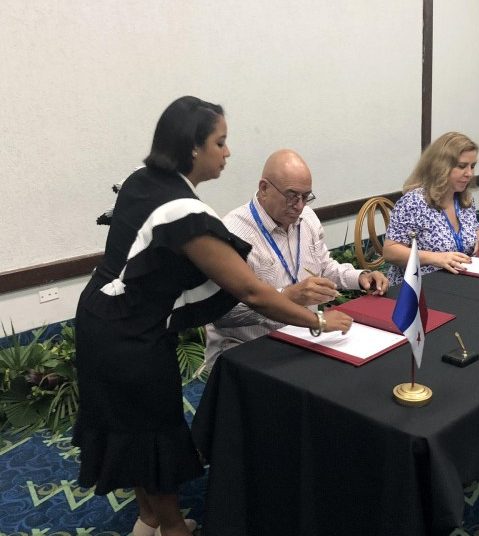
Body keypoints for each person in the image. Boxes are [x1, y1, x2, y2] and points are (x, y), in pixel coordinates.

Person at [72, 97, 352, 536]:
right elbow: (250, 290)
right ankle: (174, 530)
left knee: (130, 432)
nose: (227, 152)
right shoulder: (184, 211)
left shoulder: (143, 180)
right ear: (192, 148)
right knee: (155, 434)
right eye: (220, 142)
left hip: (99, 318)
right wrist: (317, 320)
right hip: (132, 338)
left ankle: (149, 520)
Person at [203, 149, 389, 371]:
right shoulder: (233, 233)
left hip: (305, 336)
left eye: (306, 196)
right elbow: (222, 316)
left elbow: (325, 267)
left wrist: (361, 278)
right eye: (292, 196)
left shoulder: (306, 218)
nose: (300, 206)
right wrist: (288, 297)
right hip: (249, 348)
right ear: (264, 188)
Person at [383, 131, 479, 285]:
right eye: (462, 166)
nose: (469, 173)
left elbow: (474, 227)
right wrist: (437, 258)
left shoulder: (464, 199)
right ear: (440, 167)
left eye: (472, 166)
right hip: (418, 289)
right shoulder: (414, 202)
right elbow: (390, 251)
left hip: (456, 282)